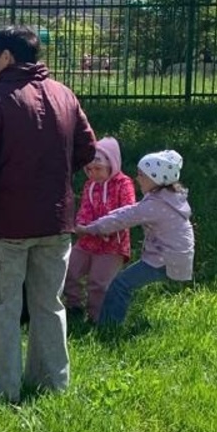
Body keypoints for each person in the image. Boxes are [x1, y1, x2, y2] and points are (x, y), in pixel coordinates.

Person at [0, 25, 97, 403]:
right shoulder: (64, 94)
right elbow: (88, 148)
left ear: (7, 57)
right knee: (49, 304)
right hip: (55, 221)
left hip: (5, 226)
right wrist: (54, 174)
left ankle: (8, 390)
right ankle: (53, 384)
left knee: (2, 307)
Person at [74, 149, 194, 328]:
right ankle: (108, 325)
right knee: (123, 284)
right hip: (174, 256)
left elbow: (124, 218)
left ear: (156, 178)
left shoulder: (155, 205)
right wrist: (99, 223)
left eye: (141, 175)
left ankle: (108, 329)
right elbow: (128, 211)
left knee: (120, 285)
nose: (137, 179)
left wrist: (91, 229)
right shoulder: (168, 198)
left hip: (166, 259)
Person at [63, 137, 135, 322]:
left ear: (112, 164)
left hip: (112, 243)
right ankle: (74, 306)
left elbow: (127, 212)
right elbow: (85, 208)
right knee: (70, 270)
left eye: (98, 169)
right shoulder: (90, 185)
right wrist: (81, 224)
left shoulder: (123, 184)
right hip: (87, 239)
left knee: (98, 282)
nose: (93, 173)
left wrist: (105, 229)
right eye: (89, 170)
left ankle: (97, 317)